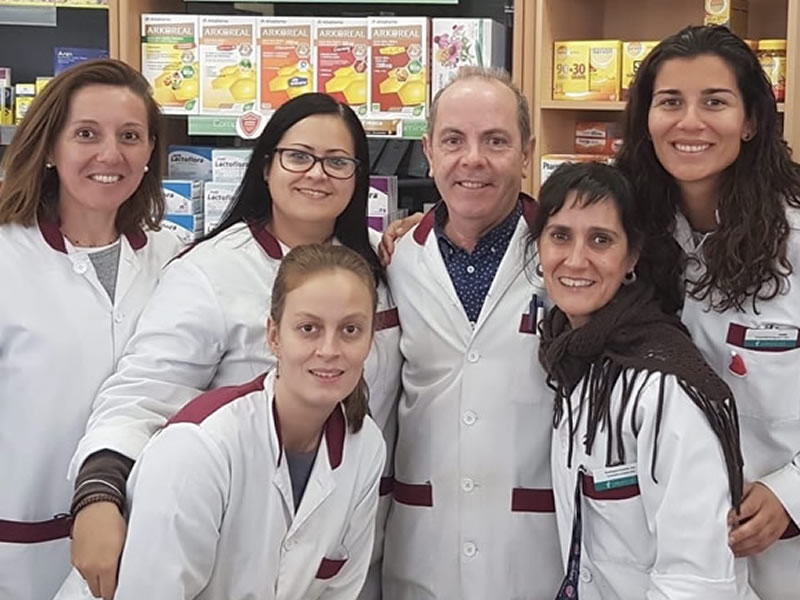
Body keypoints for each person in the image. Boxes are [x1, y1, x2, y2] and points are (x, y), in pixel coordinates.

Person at [66, 92, 402, 599]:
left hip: (344, 533)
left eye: (338, 162)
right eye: (298, 156)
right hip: (228, 534)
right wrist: (98, 493)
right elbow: (142, 395)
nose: (317, 174)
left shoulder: (381, 264)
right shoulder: (210, 270)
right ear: (265, 166)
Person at [54, 244, 386, 599]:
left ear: (371, 340)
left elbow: (338, 591)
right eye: (308, 328)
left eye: (350, 330)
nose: (329, 350)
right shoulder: (199, 447)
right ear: (274, 336)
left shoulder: (365, 447)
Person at [616, 25, 800, 600]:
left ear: (751, 121)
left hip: (781, 560)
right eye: (670, 102)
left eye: (715, 102)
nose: (689, 122)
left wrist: (792, 494)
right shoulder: (625, 233)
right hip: (655, 551)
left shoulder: (796, 239)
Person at [0, 59, 182, 600]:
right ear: (49, 148)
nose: (110, 154)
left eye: (130, 136)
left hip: (144, 542)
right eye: (86, 134)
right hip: (22, 547)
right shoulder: (7, 255)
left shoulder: (174, 257)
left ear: (150, 152)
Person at [532, 161, 755, 599]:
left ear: (632, 256)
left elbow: (695, 579)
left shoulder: (663, 386)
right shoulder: (571, 356)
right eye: (560, 236)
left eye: (601, 240)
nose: (575, 259)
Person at [382, 66, 562, 599]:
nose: (473, 159)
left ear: (527, 152)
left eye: (496, 141)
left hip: (536, 553)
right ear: (429, 152)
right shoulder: (394, 259)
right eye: (453, 140)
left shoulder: (567, 256)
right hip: (422, 548)